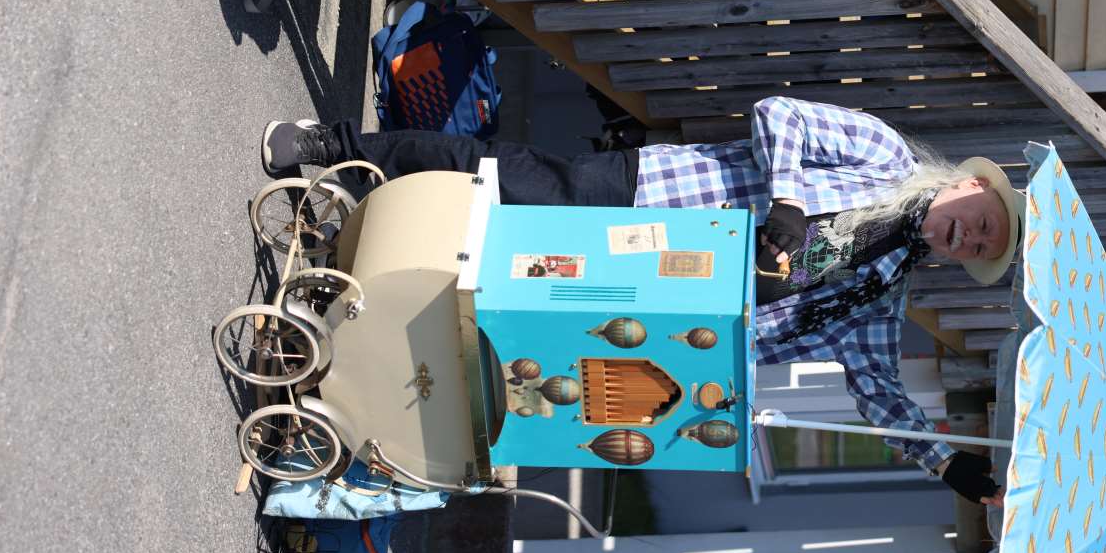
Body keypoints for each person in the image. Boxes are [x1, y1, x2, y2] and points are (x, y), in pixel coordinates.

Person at [261, 96, 1025, 505]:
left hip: (655, 315)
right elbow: (779, 114)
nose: (969, 237)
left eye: (980, 247)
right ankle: (339, 149)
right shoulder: (884, 155)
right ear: (967, 183)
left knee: (499, 322)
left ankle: (346, 352)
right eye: (981, 220)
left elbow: (880, 392)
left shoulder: (882, 294)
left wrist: (946, 465)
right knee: (502, 181)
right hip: (655, 206)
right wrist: (788, 200)